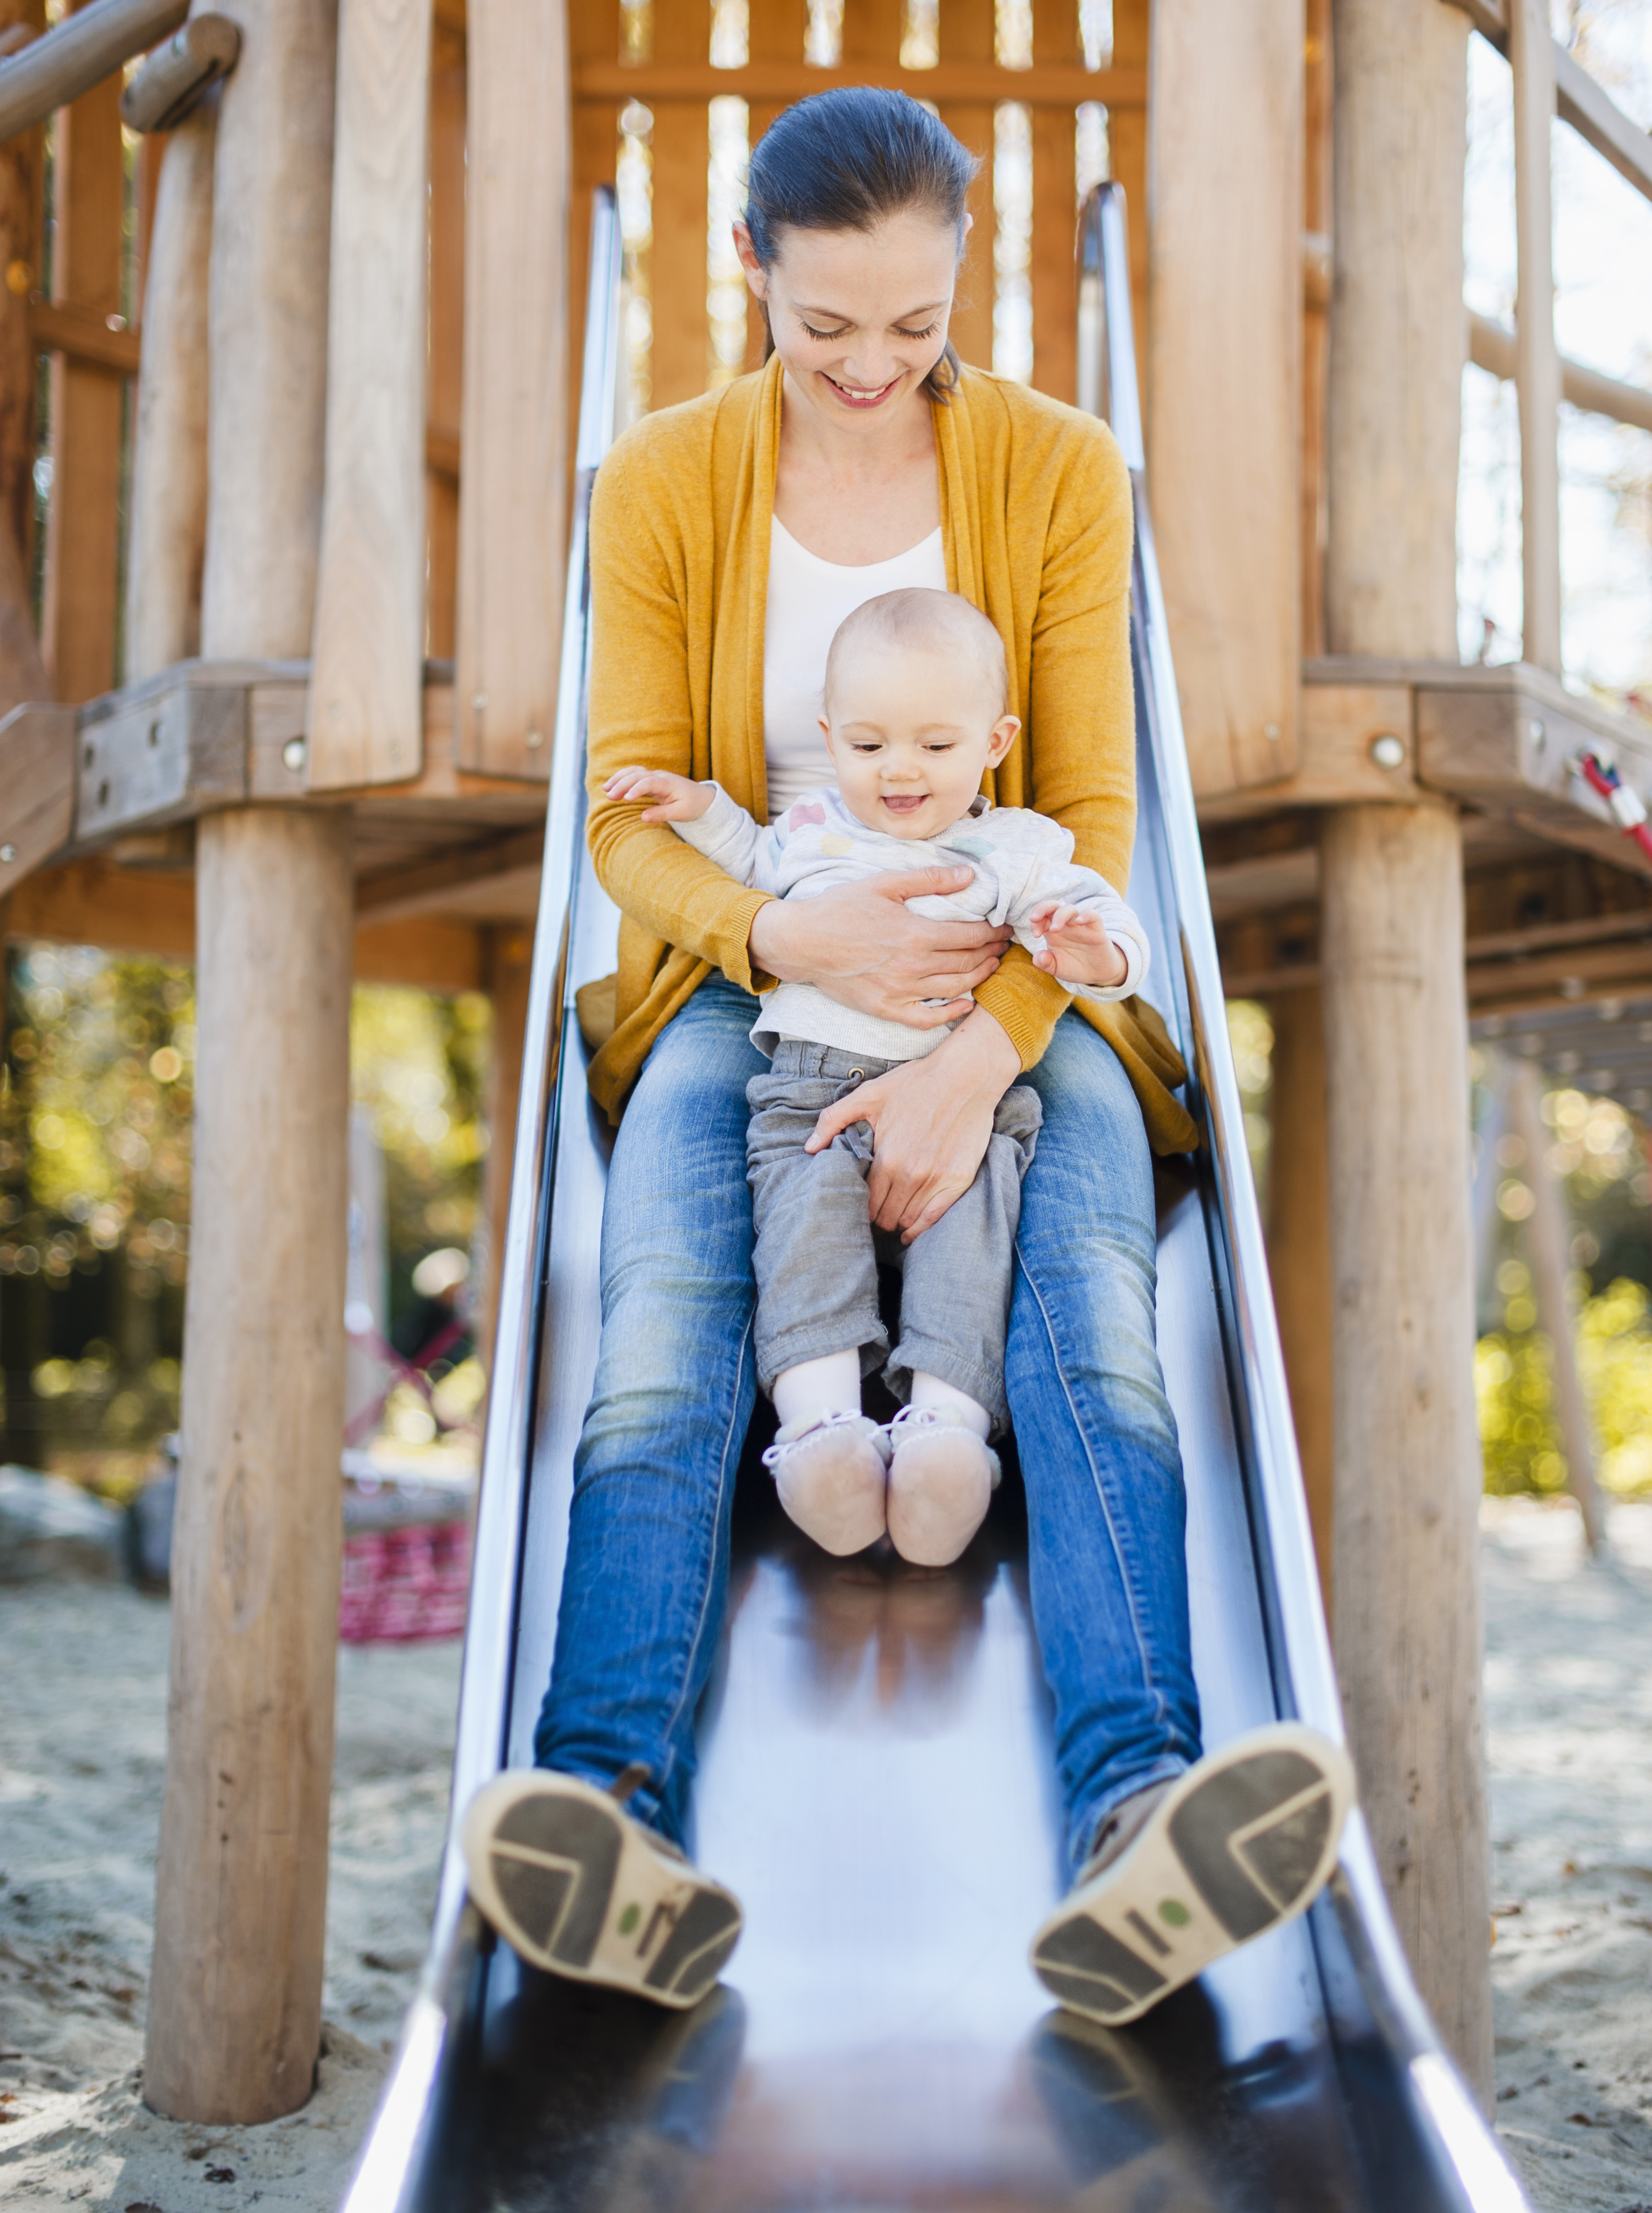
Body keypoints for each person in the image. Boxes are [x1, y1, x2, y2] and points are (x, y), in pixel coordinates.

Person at [460, 87, 1353, 2028]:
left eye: (916, 328)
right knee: (665, 1318)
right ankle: (602, 1805)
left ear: (963, 291)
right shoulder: (664, 480)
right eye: (824, 329)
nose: (871, 370)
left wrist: (978, 1062)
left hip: (1016, 985)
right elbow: (624, 819)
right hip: (740, 985)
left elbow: (1093, 815)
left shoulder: (1057, 469)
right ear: (749, 278)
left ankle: (1137, 1815)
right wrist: (775, 926)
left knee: (1094, 1321)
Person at [606, 585, 1151, 1569]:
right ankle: (821, 1432)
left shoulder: (1017, 847)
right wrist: (699, 810)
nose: (899, 770)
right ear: (828, 737)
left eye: (934, 748)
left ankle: (945, 1429)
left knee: (969, 1240)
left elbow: (1107, 919)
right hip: (806, 1097)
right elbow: (752, 860)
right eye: (867, 747)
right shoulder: (814, 827)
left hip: (960, 1103)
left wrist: (1091, 952)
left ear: (995, 739)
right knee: (799, 1235)